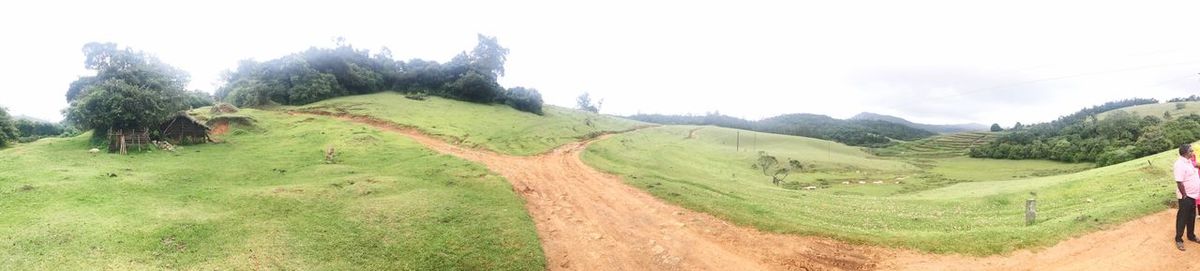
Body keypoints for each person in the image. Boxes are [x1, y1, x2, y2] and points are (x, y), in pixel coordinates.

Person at [1175, 144, 1200, 251]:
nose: (1193, 152)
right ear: (1185, 153)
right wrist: (1184, 195)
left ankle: (1191, 235)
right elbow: (1179, 182)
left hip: (1193, 195)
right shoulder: (1179, 164)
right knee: (1182, 218)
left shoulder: (1189, 162)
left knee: (1191, 216)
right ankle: (1178, 239)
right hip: (1186, 196)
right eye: (1191, 151)